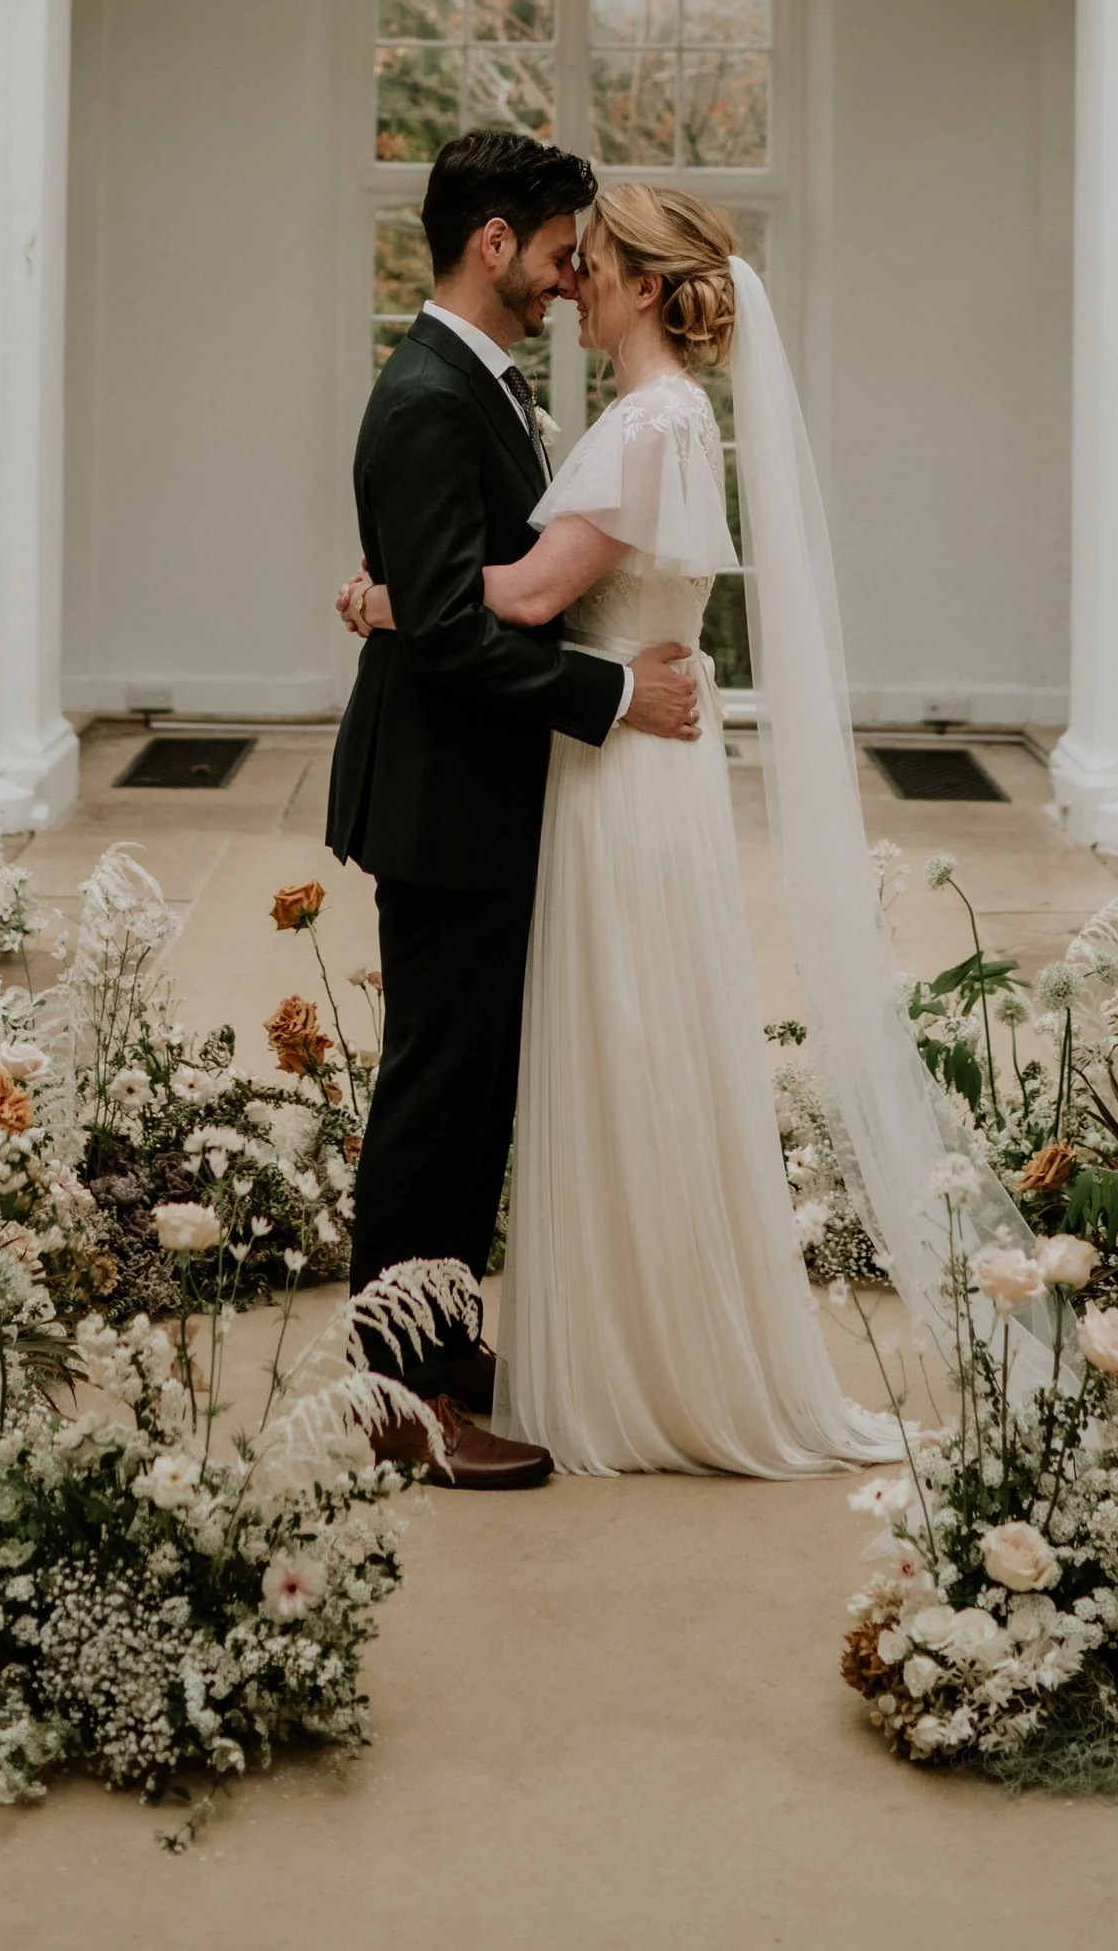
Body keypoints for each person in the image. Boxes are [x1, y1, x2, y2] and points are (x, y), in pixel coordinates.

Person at [341, 181, 924, 1479]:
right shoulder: (664, 417)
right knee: (619, 1045)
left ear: (646, 286)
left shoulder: (650, 422)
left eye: (593, 262)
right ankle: (588, 1333)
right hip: (624, 758)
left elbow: (539, 589)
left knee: (623, 1039)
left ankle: (632, 1351)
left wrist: (397, 600)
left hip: (617, 773)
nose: (572, 280)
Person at [326, 129, 704, 1490]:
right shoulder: (429, 393)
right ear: (494, 241)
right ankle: (390, 1396)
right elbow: (449, 633)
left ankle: (435, 1337)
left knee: (474, 1095)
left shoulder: (473, 382)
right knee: (433, 1097)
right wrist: (613, 695)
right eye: (554, 253)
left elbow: (443, 589)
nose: (564, 279)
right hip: (444, 800)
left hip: (484, 797)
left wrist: (399, 597)